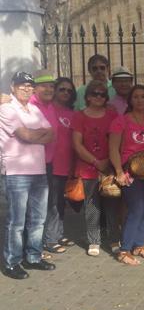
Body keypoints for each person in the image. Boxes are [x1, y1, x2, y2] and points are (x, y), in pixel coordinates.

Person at [0, 72, 55, 279]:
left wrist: (34, 135)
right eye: (21, 85)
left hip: (38, 171)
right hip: (16, 173)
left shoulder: (34, 109)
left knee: (38, 219)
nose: (26, 88)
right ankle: (12, 262)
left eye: (29, 86)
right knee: (16, 222)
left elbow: (51, 134)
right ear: (12, 87)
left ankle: (33, 256)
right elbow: (25, 135)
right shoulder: (6, 108)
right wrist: (36, 135)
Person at [109, 85, 144, 265]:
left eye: (143, 97)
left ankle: (139, 245)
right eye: (136, 97)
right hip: (129, 172)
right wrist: (119, 172)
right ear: (130, 100)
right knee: (135, 209)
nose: (139, 100)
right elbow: (113, 148)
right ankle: (124, 250)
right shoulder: (121, 121)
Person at [72, 81, 119, 256]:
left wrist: (108, 161)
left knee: (112, 205)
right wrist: (96, 161)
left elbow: (118, 140)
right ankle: (94, 240)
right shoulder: (79, 116)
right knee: (92, 206)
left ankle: (114, 239)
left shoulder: (113, 115)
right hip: (88, 168)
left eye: (102, 94)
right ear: (88, 96)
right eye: (94, 93)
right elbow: (77, 144)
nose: (98, 97)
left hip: (109, 167)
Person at [42, 77, 77, 255]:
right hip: (51, 164)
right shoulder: (48, 109)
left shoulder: (72, 113)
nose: (65, 93)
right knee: (52, 203)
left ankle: (58, 233)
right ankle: (49, 239)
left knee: (60, 202)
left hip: (67, 165)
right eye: (62, 89)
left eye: (69, 91)